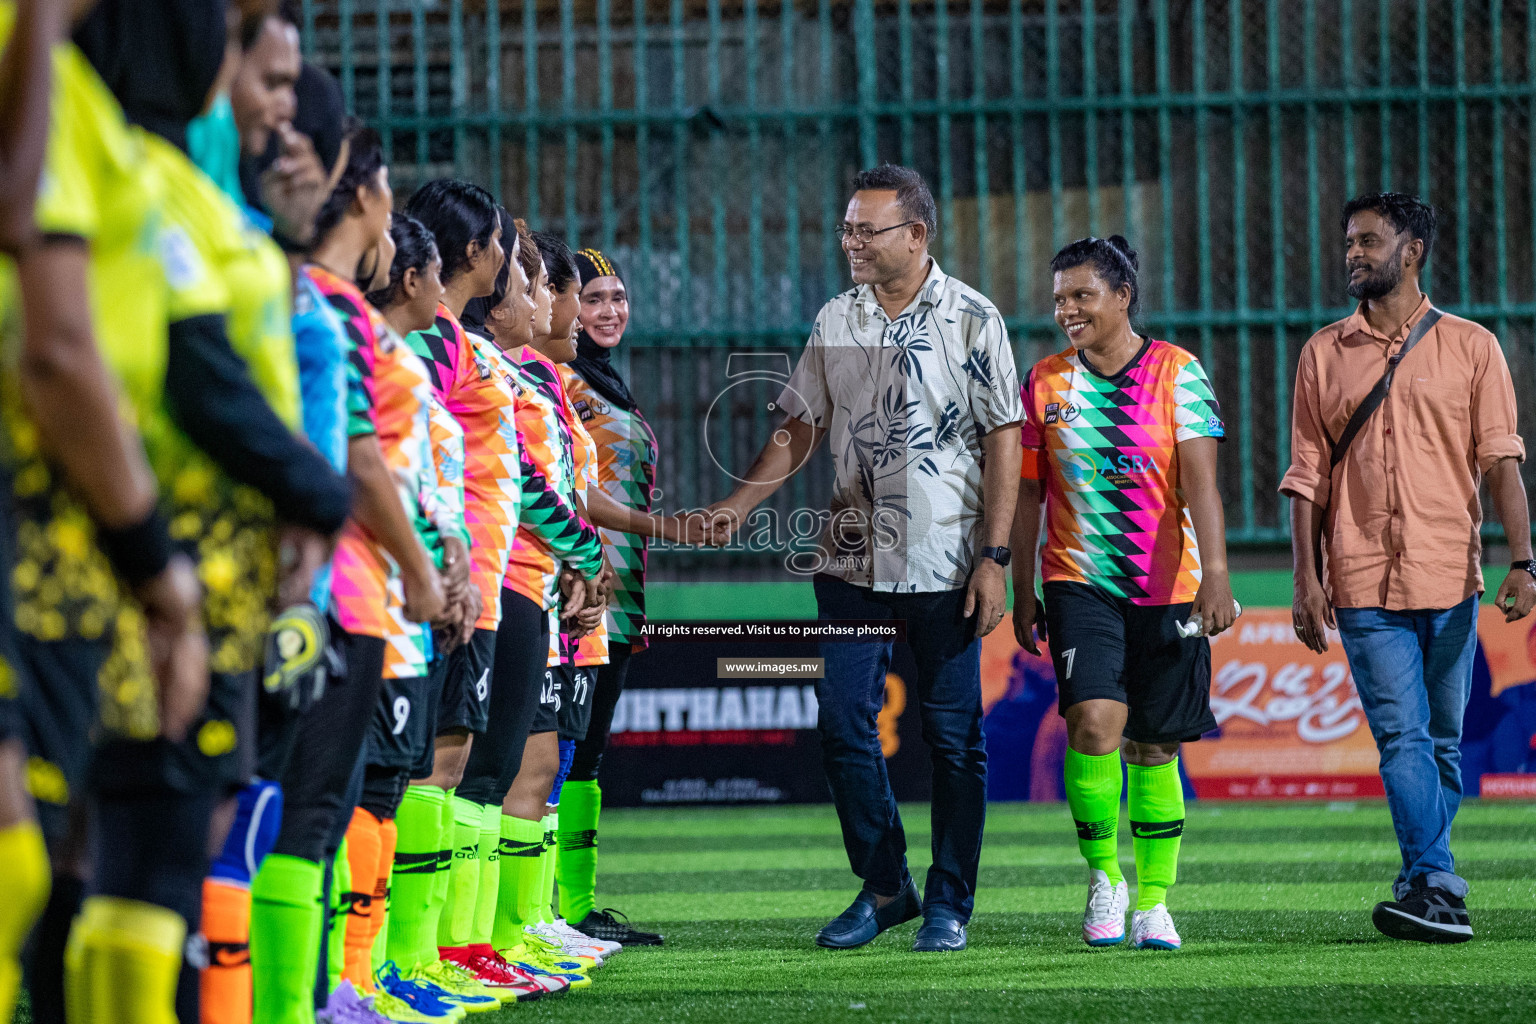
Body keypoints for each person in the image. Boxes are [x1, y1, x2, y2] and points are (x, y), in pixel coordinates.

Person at [705, 164, 1022, 952]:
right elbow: (801, 425)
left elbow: (1004, 438)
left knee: (952, 740)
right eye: (847, 228)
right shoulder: (835, 317)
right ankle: (887, 888)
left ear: (915, 236)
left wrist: (996, 557)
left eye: (865, 229)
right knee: (845, 727)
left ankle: (950, 901)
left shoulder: (975, 318)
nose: (850, 241)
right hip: (849, 559)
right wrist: (738, 506)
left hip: (948, 562)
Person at [1282, 191, 1536, 943]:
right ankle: (1436, 883)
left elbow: (1502, 464)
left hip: (1451, 578)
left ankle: (1422, 876)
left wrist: (1525, 561)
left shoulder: (1472, 347)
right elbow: (1304, 476)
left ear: (1412, 252)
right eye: (1349, 241)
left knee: (1444, 744)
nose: (1352, 253)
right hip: (1361, 581)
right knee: (1405, 737)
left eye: (1368, 241)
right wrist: (1306, 576)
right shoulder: (1322, 353)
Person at [1009, 235, 1234, 952]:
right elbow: (1024, 496)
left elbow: (1200, 484)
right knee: (1096, 724)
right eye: (1059, 300)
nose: (1066, 310)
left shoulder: (1180, 372)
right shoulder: (1044, 382)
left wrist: (1218, 577)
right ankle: (1106, 877)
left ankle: (1155, 903)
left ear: (1122, 296)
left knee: (1156, 746)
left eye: (1081, 295)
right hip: (1079, 580)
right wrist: (1021, 586)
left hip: (1170, 586)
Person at [399, 190, 564, 998]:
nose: (510, 262)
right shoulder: (437, 343)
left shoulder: (462, 349)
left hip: (487, 577)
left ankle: (454, 948)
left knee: (465, 763)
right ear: (477, 253)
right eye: (502, 244)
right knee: (442, 765)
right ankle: (419, 953)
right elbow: (420, 449)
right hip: (458, 577)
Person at [556, 245, 668, 946]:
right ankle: (554, 909)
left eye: (618, 297)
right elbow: (573, 492)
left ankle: (574, 905)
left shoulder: (602, 380)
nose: (609, 310)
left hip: (618, 591)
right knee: (563, 750)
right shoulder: (562, 380)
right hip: (583, 588)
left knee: (587, 753)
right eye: (593, 298)